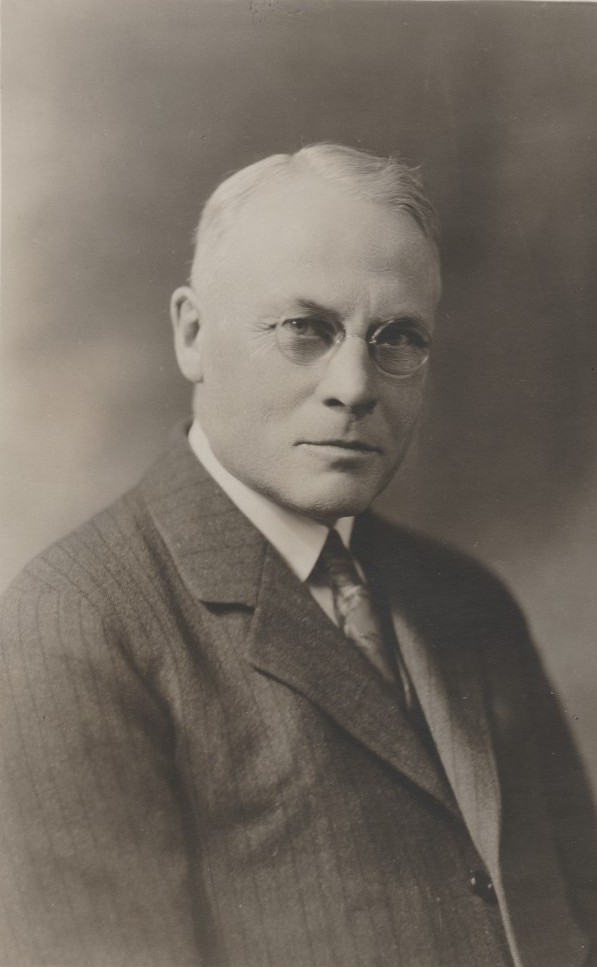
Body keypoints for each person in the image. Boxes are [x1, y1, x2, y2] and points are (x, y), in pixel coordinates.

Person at [1, 144, 595, 967]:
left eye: (396, 338)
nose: (354, 384)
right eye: (304, 330)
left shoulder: (467, 601)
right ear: (192, 335)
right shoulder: (73, 624)